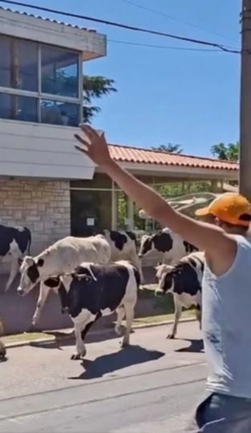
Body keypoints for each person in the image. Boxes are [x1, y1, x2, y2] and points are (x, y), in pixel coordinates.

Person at [74, 124, 251, 432]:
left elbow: (160, 211)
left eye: (207, 221)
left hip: (234, 395)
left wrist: (109, 165)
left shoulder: (226, 246)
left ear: (215, 222)